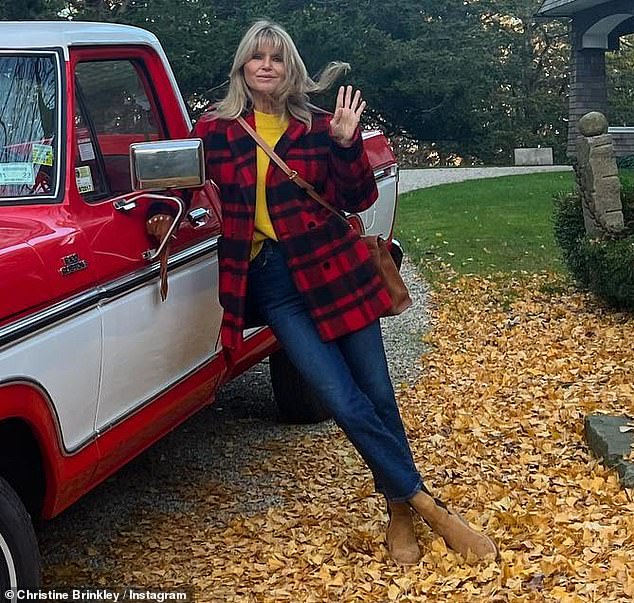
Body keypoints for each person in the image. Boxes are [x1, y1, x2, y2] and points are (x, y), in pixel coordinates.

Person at [147, 19, 497, 565]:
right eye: (256, 57)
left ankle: (400, 511)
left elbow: (356, 197)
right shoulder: (217, 131)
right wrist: (152, 208)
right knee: (340, 399)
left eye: (277, 58)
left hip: (334, 270)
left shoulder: (316, 126)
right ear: (242, 66)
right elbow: (180, 184)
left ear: (291, 68)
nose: (266, 65)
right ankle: (430, 507)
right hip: (274, 281)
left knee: (378, 395)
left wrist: (346, 143)